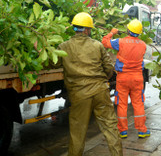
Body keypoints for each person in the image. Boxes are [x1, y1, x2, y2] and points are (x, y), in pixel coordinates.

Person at [52, 12, 123, 156]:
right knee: (110, 128)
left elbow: (51, 63)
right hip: (100, 91)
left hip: (79, 95)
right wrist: (102, 80)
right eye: (89, 29)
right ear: (86, 29)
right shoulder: (97, 45)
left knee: (77, 133)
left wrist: (40, 49)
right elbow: (109, 68)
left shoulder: (63, 46)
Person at [102, 19, 150, 139]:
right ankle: (142, 130)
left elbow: (104, 42)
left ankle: (122, 131)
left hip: (123, 77)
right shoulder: (143, 45)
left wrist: (112, 32)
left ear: (128, 30)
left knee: (122, 104)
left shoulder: (120, 42)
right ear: (139, 33)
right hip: (138, 77)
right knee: (138, 103)